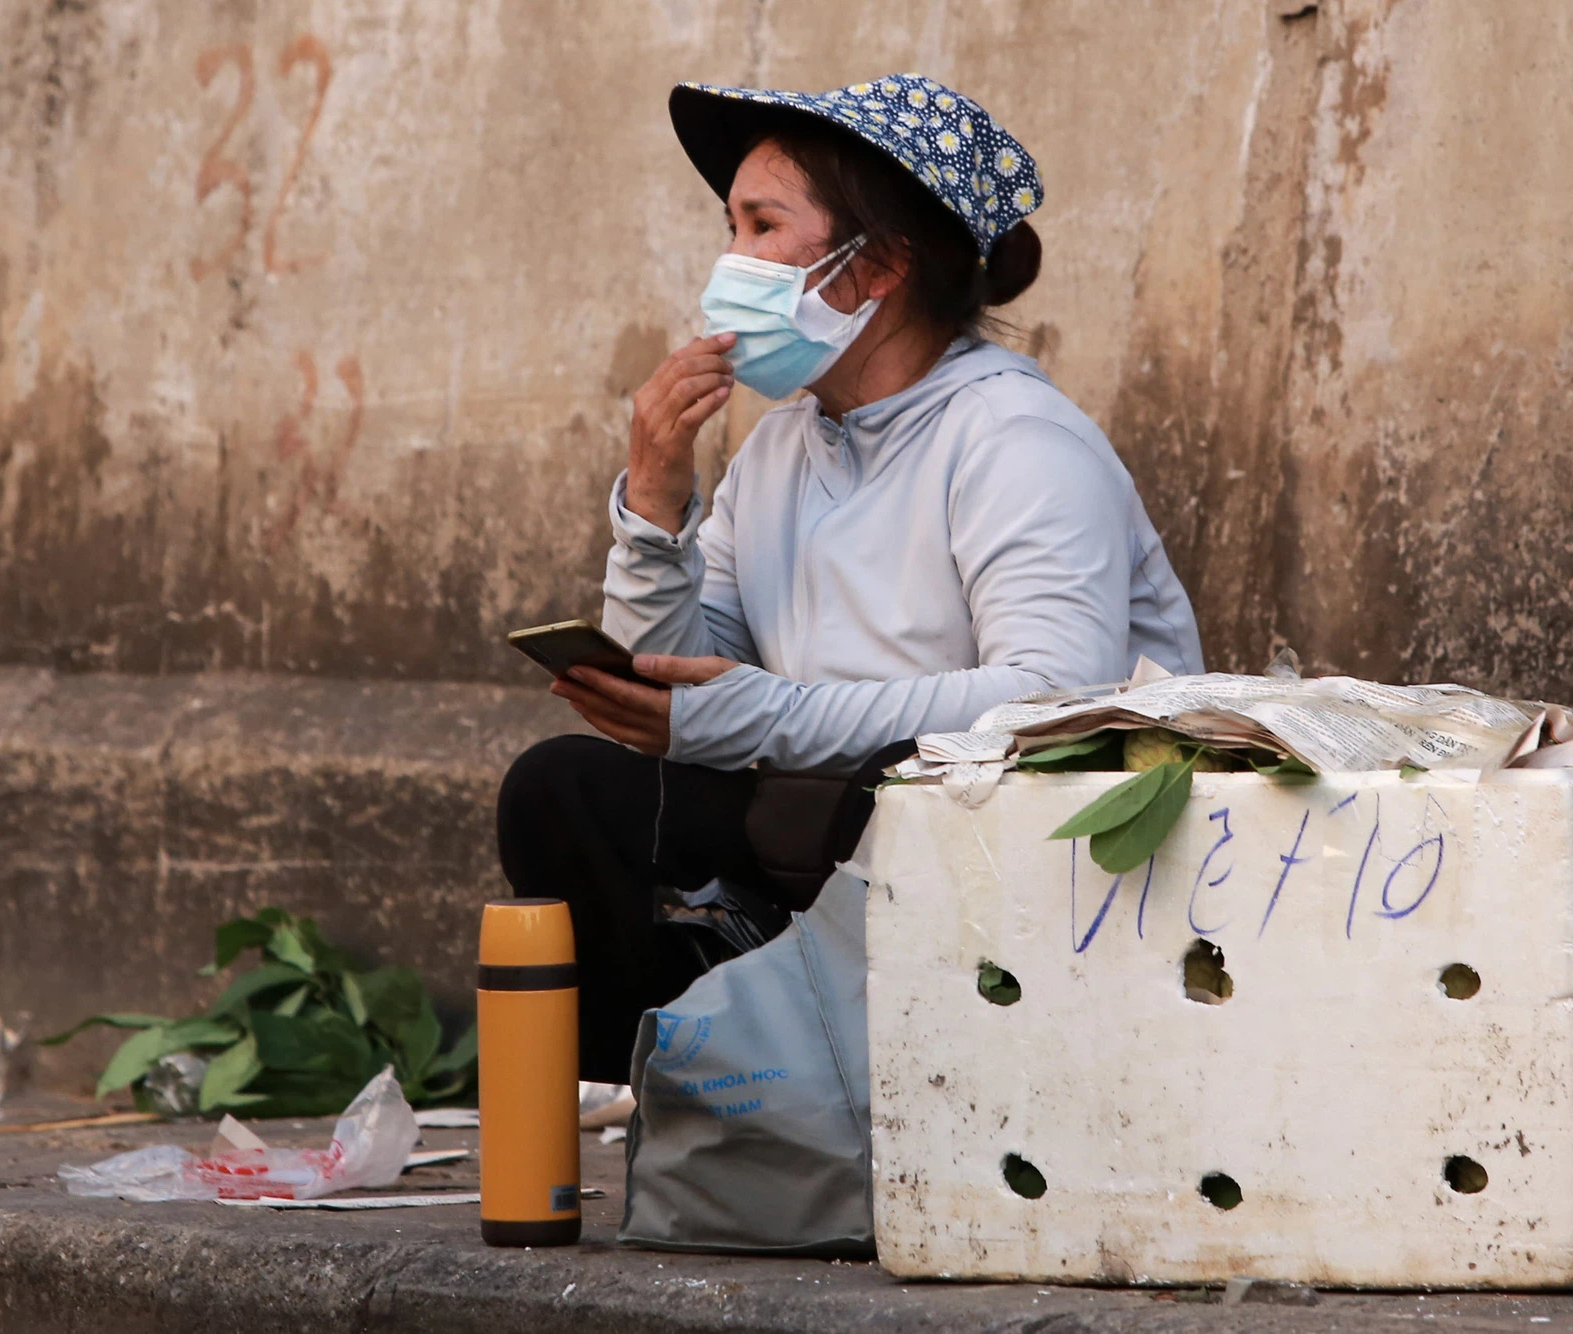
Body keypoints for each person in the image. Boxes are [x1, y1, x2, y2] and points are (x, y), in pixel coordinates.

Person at [496, 73, 1203, 1082]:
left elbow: (1052, 701)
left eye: (760, 225)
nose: (728, 261)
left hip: (1020, 867)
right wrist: (653, 499)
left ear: (870, 266)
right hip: (819, 830)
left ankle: (865, 1090)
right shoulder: (785, 446)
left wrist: (751, 715)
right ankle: (662, 1107)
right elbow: (684, 676)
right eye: (729, 225)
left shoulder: (1015, 437)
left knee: (896, 784)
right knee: (561, 788)